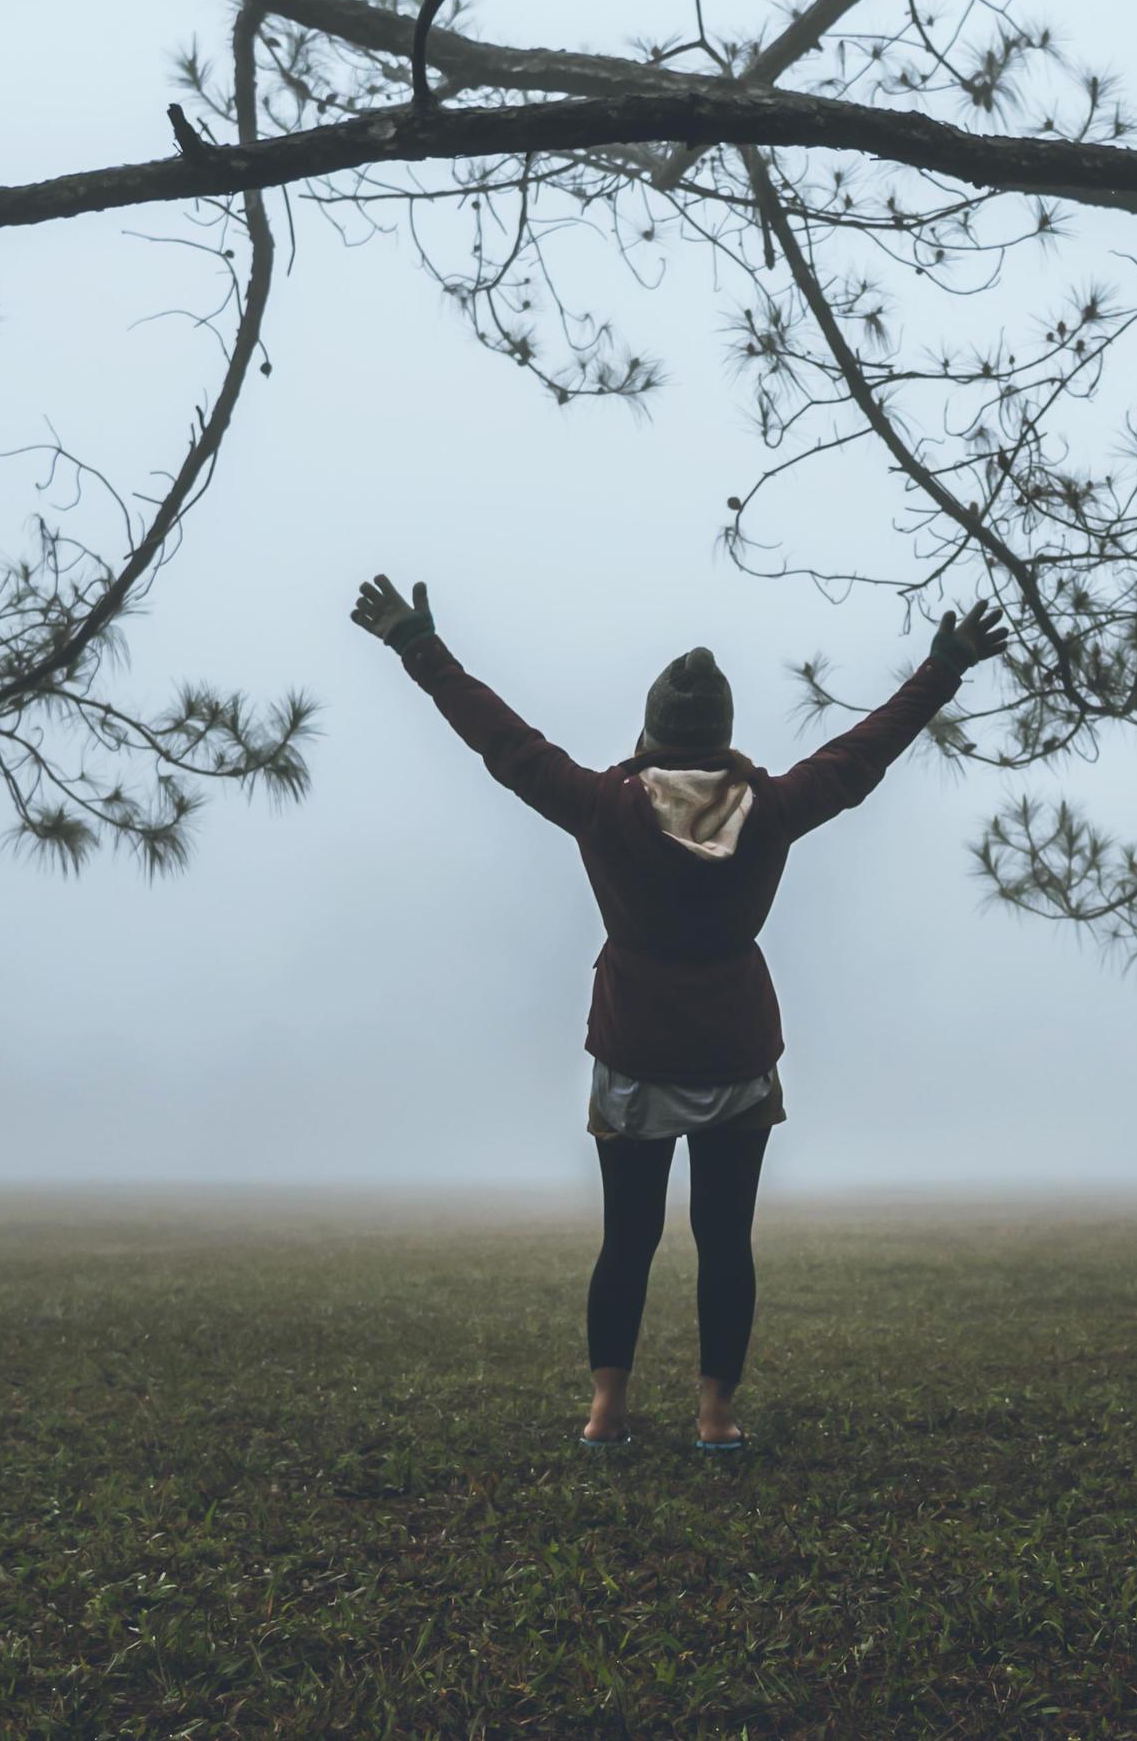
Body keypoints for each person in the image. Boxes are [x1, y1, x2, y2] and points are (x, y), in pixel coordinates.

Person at [349, 572, 1013, 1451]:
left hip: (633, 1051)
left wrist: (416, 646)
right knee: (724, 1244)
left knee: (626, 1242)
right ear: (724, 736)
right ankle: (715, 1418)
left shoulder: (604, 808)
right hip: (737, 1054)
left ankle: (606, 1414)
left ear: (651, 734)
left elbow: (503, 742)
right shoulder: (771, 809)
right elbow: (863, 754)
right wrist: (944, 669)